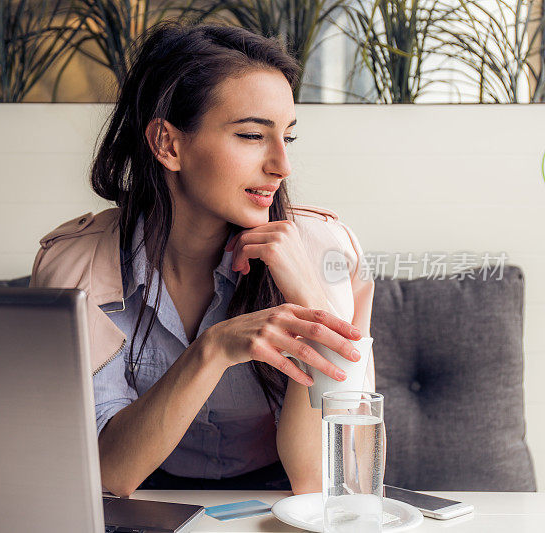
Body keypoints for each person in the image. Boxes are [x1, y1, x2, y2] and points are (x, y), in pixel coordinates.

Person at [30, 21, 375, 496]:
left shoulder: (325, 251)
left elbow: (326, 481)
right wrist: (211, 351)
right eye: (253, 135)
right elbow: (108, 474)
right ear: (168, 144)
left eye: (287, 138)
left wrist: (311, 298)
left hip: (279, 506)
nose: (281, 165)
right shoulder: (75, 266)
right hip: (144, 504)